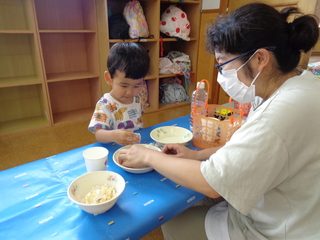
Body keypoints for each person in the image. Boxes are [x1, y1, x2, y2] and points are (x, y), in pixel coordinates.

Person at [118, 3, 320, 240]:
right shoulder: (301, 83)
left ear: (260, 59)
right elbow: (248, 149)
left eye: (223, 65)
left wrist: (148, 155)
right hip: (294, 205)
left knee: (173, 222)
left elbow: (210, 183)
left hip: (281, 228)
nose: (222, 75)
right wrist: (196, 155)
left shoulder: (277, 116)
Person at [88, 42, 150, 145]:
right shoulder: (105, 104)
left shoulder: (137, 98)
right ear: (109, 78)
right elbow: (98, 134)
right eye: (124, 86)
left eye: (137, 85)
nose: (130, 92)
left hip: (135, 147)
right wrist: (113, 136)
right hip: (115, 149)